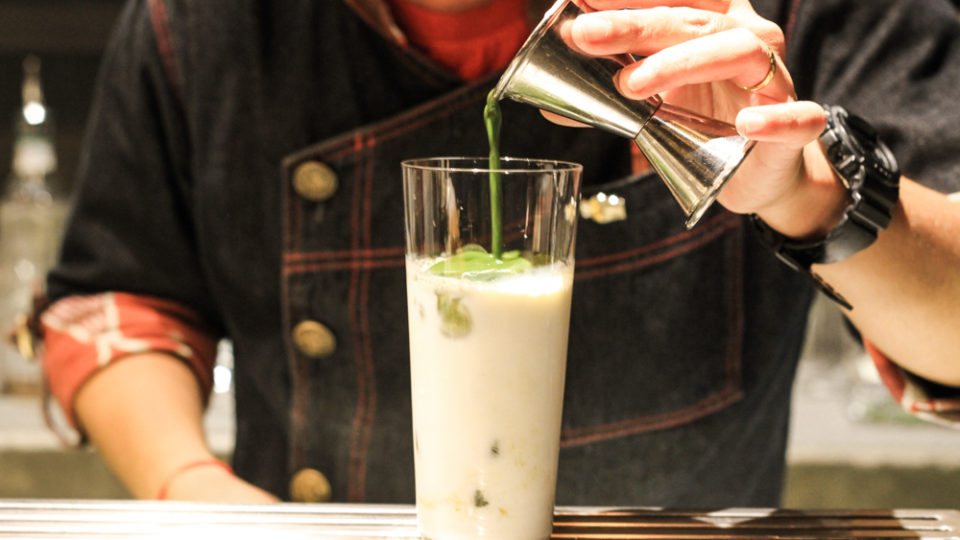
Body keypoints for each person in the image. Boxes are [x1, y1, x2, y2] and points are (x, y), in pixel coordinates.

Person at [36, 0, 960, 506]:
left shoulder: (784, 12)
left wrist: (808, 190)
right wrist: (190, 484)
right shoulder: (200, 28)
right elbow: (122, 296)